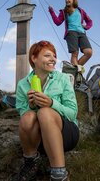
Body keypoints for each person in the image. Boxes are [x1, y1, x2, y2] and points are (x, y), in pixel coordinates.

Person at [13, 40, 79, 181]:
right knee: (27, 117)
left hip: (66, 134)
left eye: (54, 56)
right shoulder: (23, 84)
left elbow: (72, 113)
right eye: (48, 56)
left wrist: (51, 103)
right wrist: (30, 106)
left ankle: (59, 174)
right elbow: (22, 114)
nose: (53, 59)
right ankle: (31, 161)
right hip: (40, 139)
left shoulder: (62, 79)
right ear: (34, 58)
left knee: (45, 112)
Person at [49, 0, 93, 72]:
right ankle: (76, 73)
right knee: (75, 54)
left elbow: (90, 21)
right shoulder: (64, 11)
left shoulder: (80, 11)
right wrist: (52, 12)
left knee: (89, 52)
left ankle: (73, 70)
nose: (67, 0)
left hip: (82, 33)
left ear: (73, 0)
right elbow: (58, 22)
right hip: (71, 33)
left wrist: (86, 27)